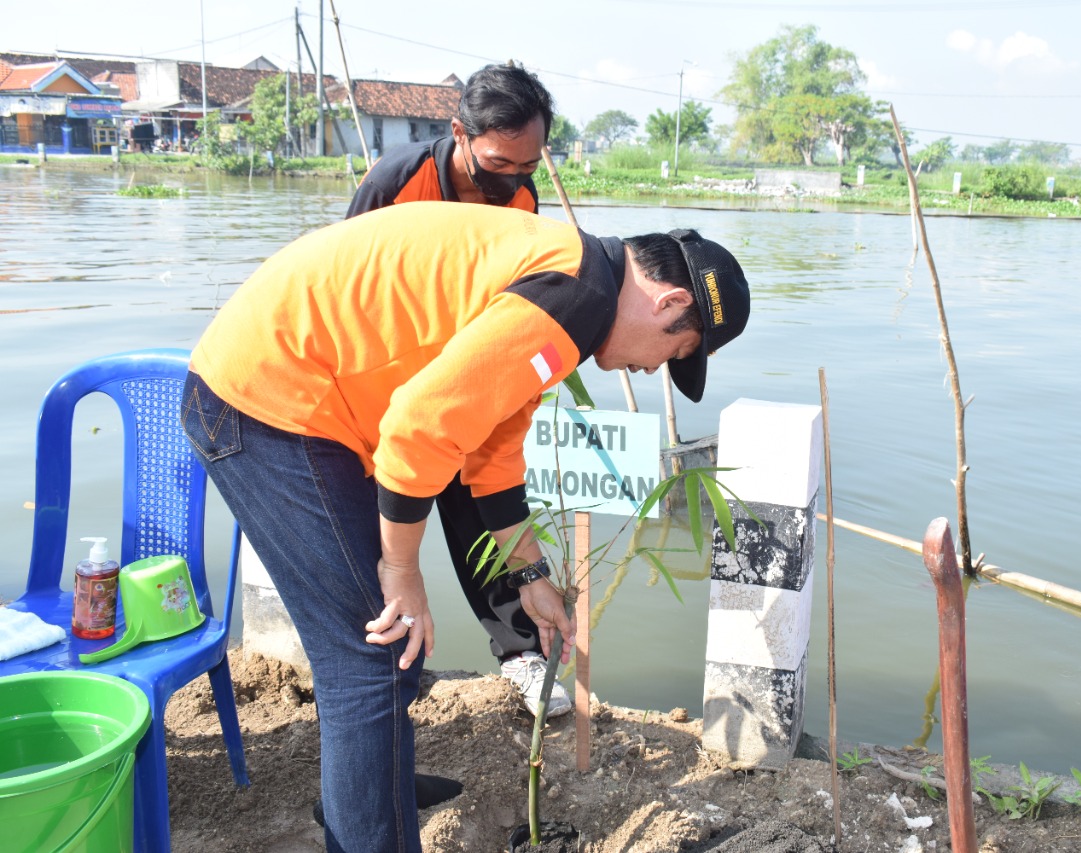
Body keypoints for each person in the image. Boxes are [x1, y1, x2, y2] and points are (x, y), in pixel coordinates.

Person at [181, 201, 749, 852]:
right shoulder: (575, 295)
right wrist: (402, 569)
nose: (653, 369)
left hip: (298, 386)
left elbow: (493, 450)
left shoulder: (576, 279)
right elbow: (419, 429)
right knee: (373, 654)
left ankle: (372, 791)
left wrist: (531, 575)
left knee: (386, 653)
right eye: (676, 351)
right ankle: (370, 820)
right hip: (271, 397)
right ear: (670, 301)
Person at [346, 62, 572, 720]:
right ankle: (386, 667)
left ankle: (521, 651)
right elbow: (343, 280)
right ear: (459, 134)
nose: (513, 181)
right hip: (386, 383)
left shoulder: (522, 200)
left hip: (463, 373)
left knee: (482, 499)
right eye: (499, 164)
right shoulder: (396, 183)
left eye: (527, 166)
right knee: (379, 534)